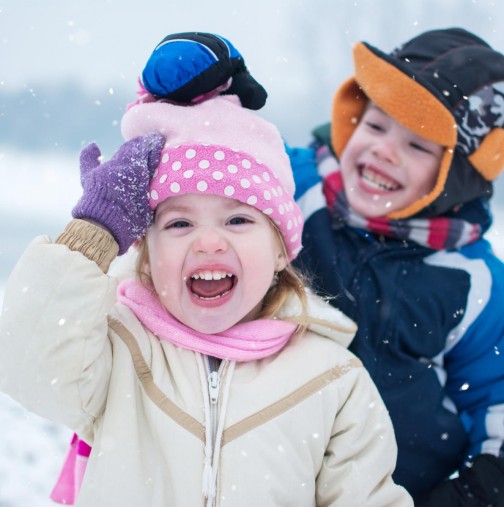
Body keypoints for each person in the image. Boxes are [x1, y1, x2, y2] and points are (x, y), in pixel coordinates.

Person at [0, 33, 413, 507]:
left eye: (238, 219)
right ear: (147, 254)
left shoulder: (333, 379)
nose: (209, 241)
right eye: (179, 222)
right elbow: (28, 364)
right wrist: (97, 230)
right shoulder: (114, 349)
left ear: (282, 250)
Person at [288, 27, 504, 506]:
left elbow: (496, 408)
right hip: (269, 477)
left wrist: (468, 494)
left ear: (457, 180)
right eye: (377, 124)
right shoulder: (290, 189)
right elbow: (204, 155)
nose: (384, 150)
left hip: (399, 492)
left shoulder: (476, 283)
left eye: (418, 145)